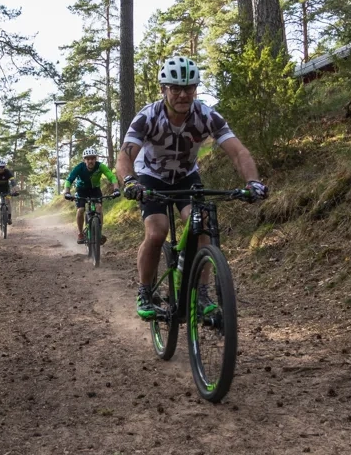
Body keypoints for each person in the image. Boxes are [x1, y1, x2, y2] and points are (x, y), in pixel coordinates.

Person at [115, 56, 268, 320]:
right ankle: (145, 289)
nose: (183, 94)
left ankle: (201, 293)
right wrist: (130, 182)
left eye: (189, 88)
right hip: (151, 176)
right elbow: (125, 157)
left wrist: (253, 181)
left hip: (186, 176)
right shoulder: (148, 117)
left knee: (201, 224)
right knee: (157, 231)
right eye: (176, 88)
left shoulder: (206, 115)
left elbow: (238, 152)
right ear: (164, 89)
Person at [62, 148, 121, 244]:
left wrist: (116, 189)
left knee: (99, 207)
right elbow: (69, 179)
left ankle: (99, 233)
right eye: (88, 159)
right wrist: (67, 192)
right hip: (81, 190)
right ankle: (80, 233)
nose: (90, 161)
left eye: (92, 158)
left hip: (95, 190)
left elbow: (111, 176)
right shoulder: (79, 167)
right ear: (84, 160)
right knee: (80, 210)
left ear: (95, 159)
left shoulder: (100, 166)